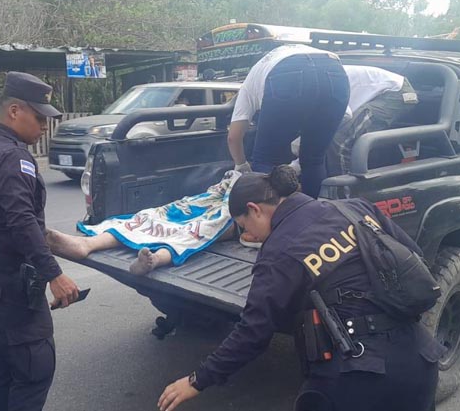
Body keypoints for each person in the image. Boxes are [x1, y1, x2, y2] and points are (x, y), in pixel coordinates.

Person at [157, 166, 443, 411]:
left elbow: (252, 332)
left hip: (360, 378)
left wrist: (198, 380)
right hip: (420, 360)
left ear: (255, 209)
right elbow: (413, 257)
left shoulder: (278, 251)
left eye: (244, 226)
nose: (248, 236)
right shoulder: (353, 208)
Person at [0, 71, 81, 411]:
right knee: (33, 368)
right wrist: (54, 274)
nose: (44, 125)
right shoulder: (14, 157)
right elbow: (21, 220)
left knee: (2, 364)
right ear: (14, 111)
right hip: (9, 284)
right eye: (39, 116)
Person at [46, 170, 251, 275]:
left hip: (229, 215)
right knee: (150, 217)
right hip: (213, 200)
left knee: (194, 232)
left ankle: (154, 260)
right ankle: (86, 244)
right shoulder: (255, 184)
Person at [227, 44, 350, 198]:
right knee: (314, 160)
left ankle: (269, 212)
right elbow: (345, 114)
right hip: (335, 70)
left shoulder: (249, 83)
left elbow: (233, 137)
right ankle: (309, 209)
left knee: (265, 160)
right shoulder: (270, 63)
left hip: (287, 73)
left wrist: (241, 165)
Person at [328, 65, 418, 174]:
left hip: (396, 91)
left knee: (341, 139)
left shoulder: (322, 82)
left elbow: (345, 115)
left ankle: (343, 183)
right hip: (380, 92)